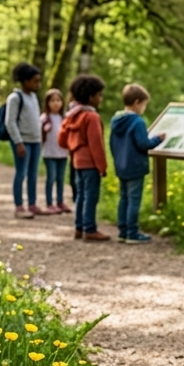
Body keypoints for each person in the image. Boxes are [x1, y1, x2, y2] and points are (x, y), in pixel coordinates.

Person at [109, 84, 166, 243]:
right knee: (134, 199)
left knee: (124, 199)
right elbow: (143, 144)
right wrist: (157, 139)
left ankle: (123, 231)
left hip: (121, 165)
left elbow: (112, 143)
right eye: (144, 104)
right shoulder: (137, 121)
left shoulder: (116, 120)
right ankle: (132, 233)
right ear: (136, 102)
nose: (144, 108)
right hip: (135, 166)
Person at [60, 74, 109, 241]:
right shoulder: (91, 116)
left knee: (80, 195)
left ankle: (79, 227)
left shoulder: (72, 114)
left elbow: (61, 139)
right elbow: (96, 144)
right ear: (91, 96)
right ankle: (90, 229)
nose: (100, 99)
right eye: (99, 95)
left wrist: (74, 147)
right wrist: (102, 166)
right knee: (91, 196)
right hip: (90, 163)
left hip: (76, 161)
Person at [5, 63, 46, 218]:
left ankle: (32, 204)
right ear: (25, 81)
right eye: (35, 81)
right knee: (21, 173)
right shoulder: (15, 98)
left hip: (35, 141)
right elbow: (10, 122)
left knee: (33, 174)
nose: (38, 84)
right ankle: (19, 206)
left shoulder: (34, 97)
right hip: (22, 141)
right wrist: (18, 142)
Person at [40, 88, 70, 214]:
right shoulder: (44, 118)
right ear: (47, 103)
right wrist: (44, 130)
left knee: (60, 178)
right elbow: (39, 135)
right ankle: (49, 203)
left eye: (58, 100)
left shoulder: (65, 118)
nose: (56, 103)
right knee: (51, 177)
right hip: (49, 153)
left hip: (62, 153)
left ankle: (60, 201)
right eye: (52, 101)